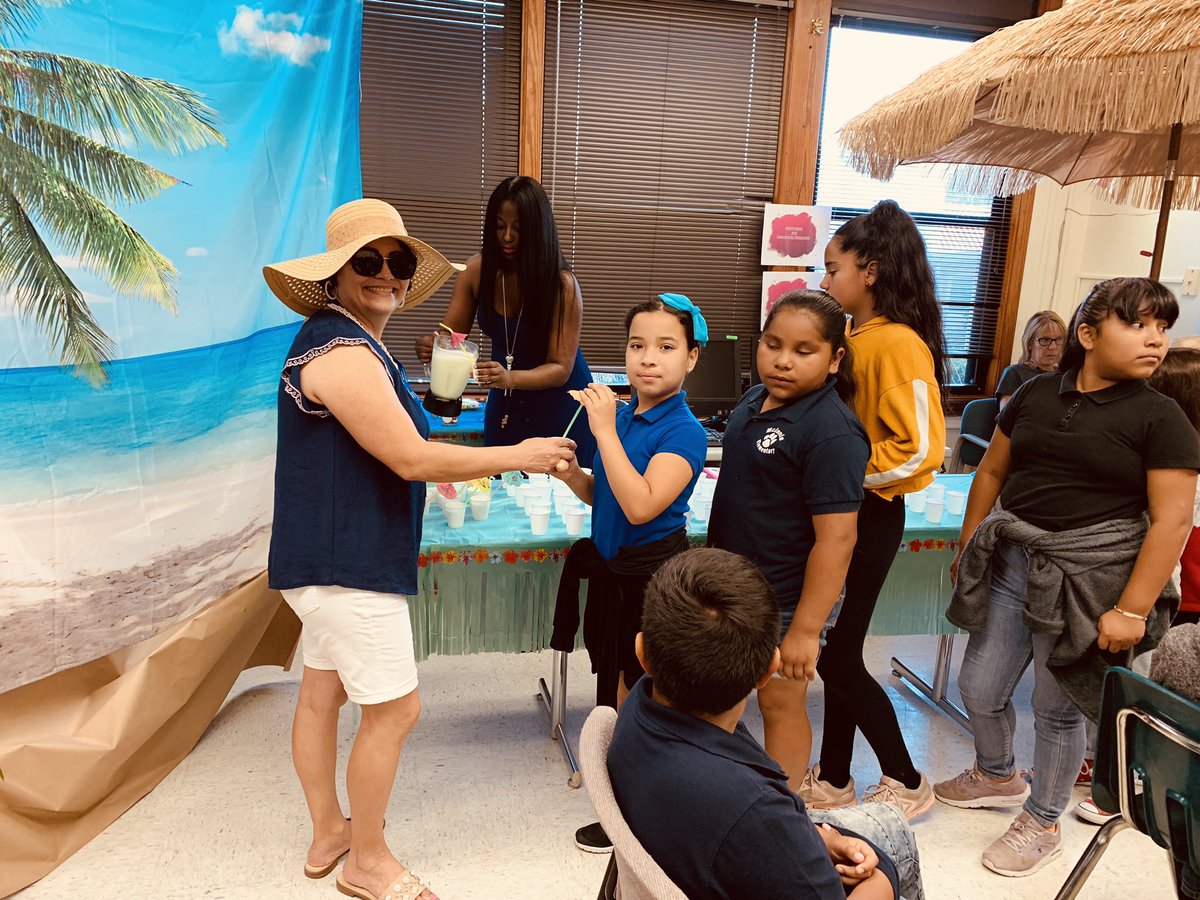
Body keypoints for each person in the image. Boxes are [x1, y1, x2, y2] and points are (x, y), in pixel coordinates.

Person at [262, 198, 575, 900]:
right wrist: (515, 453)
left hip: (325, 558)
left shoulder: (345, 340)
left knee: (322, 693)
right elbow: (409, 458)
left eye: (397, 262)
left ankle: (328, 832)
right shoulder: (338, 350)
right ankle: (366, 861)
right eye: (367, 262)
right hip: (348, 564)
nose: (386, 276)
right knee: (396, 711)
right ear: (337, 274)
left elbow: (391, 440)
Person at [935, 277, 1199, 877]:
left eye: (1162, 325)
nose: (1155, 339)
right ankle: (997, 773)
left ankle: (1046, 817)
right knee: (979, 686)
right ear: (1089, 333)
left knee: (1058, 710)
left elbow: (1173, 519)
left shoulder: (1162, 417)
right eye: (1137, 323)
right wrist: (974, 539)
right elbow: (993, 470)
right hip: (1013, 562)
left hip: (1093, 579)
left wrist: (1131, 610)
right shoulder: (1034, 394)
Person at [609, 547, 925, 900]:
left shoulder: (639, 703)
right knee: (895, 839)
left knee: (886, 821)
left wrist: (824, 837)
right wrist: (883, 874)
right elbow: (763, 826)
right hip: (740, 841)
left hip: (706, 846)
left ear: (643, 654)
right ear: (768, 671)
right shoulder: (752, 808)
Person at [551, 293, 708, 853]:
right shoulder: (620, 416)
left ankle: (643, 818)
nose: (648, 358)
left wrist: (606, 434)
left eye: (666, 346)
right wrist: (574, 476)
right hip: (615, 571)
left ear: (691, 358)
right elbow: (609, 494)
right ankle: (623, 801)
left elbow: (642, 506)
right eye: (637, 344)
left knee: (642, 696)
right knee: (617, 691)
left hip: (651, 576)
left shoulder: (685, 432)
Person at [805, 200, 947, 820]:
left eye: (832, 268)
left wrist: (842, 478)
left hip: (865, 516)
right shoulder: (857, 337)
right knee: (841, 646)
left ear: (870, 269)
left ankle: (907, 779)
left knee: (835, 653)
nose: (823, 280)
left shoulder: (896, 345)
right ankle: (835, 777)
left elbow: (920, 451)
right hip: (841, 514)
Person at [707, 290, 869, 789]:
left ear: (835, 359)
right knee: (718, 695)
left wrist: (804, 629)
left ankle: (784, 806)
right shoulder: (755, 399)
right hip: (732, 587)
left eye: (804, 351)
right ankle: (715, 793)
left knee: (780, 701)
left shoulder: (832, 431)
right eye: (772, 344)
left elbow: (837, 541)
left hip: (784, 596)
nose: (782, 361)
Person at [1075, 344, 1200, 825]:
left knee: (1145, 694)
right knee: (1117, 682)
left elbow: (1174, 536)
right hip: (1141, 593)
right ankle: (1107, 768)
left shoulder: (1179, 465)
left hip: (1171, 603)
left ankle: (1129, 787)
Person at [416, 175, 598, 467]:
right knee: (502, 479)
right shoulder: (476, 270)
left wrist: (508, 378)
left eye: (519, 228)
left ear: (539, 230)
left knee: (559, 492)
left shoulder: (562, 285)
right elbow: (453, 338)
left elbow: (560, 369)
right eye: (500, 227)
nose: (508, 236)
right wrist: (432, 346)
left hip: (561, 400)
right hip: (506, 396)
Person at [995, 310, 1067, 410]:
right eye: (1045, 340)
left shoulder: (1065, 375)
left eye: (1059, 339)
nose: (1053, 346)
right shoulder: (1014, 373)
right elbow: (1007, 418)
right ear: (1030, 344)